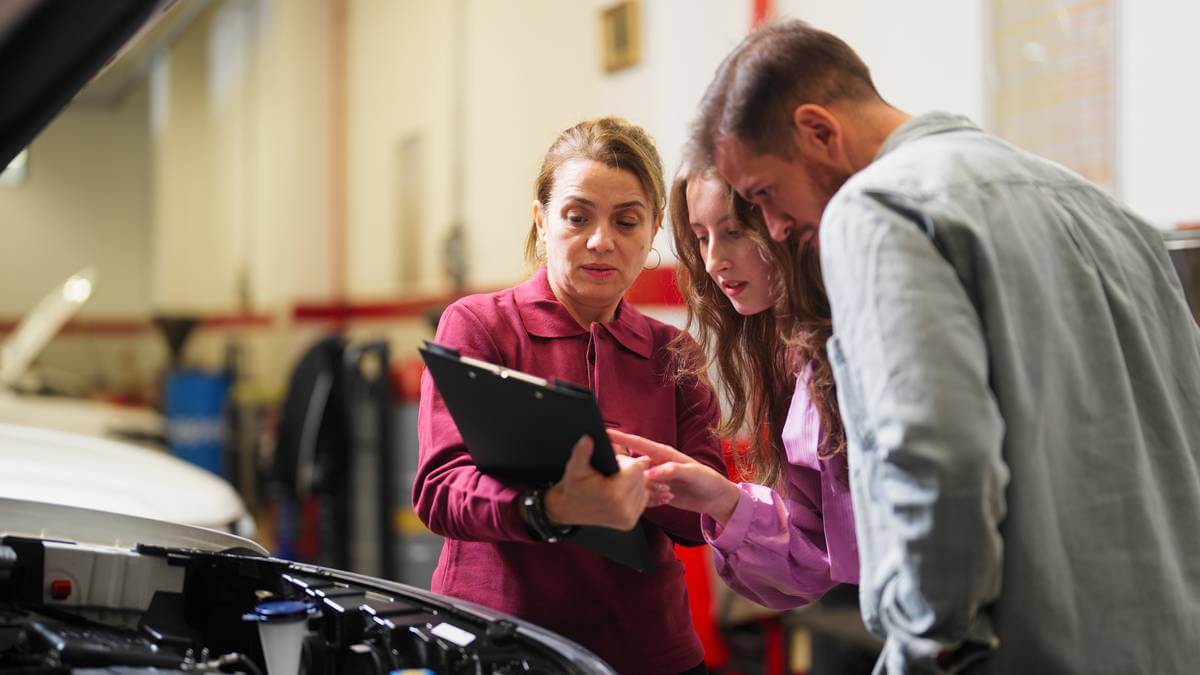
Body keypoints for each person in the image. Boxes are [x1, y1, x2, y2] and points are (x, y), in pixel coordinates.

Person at [688, 18, 1200, 675]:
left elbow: (937, 461)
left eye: (766, 194)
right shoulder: (1105, 210)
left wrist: (922, 645)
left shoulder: (874, 211)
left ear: (820, 131)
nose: (780, 225)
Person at [413, 116, 726, 675]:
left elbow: (702, 520)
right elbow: (439, 491)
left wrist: (658, 484)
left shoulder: (674, 353)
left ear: (653, 230)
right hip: (501, 645)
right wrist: (549, 507)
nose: (601, 241)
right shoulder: (480, 327)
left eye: (627, 221)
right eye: (577, 216)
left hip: (647, 652)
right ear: (542, 220)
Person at [611, 156, 857, 609]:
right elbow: (816, 549)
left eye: (734, 232)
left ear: (784, 221)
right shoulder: (783, 345)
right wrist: (723, 499)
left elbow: (841, 551)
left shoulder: (853, 341)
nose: (713, 262)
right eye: (701, 238)